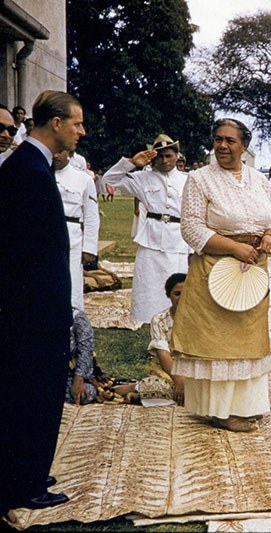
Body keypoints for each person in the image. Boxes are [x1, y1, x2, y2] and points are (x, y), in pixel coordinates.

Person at [0, 90, 86, 513]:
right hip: (33, 312)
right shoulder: (30, 171)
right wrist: (47, 310)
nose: (81, 132)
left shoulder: (32, 164)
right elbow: (23, 253)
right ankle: (24, 482)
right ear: (55, 123)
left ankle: (28, 468)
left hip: (34, 307)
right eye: (77, 124)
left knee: (31, 393)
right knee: (33, 395)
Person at [171, 118, 271, 432]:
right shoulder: (200, 179)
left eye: (230, 141)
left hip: (253, 268)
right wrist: (234, 248)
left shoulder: (259, 180)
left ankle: (247, 406)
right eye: (218, 139)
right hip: (215, 267)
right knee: (217, 342)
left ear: (244, 146)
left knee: (249, 338)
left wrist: (270, 236)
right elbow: (191, 229)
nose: (222, 146)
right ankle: (219, 410)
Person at [104, 134, 191, 323]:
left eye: (169, 155)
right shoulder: (142, 178)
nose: (164, 160)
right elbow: (109, 179)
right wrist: (132, 163)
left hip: (178, 240)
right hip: (151, 239)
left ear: (177, 156)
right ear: (153, 158)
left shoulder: (188, 180)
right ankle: (153, 333)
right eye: (160, 156)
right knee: (150, 286)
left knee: (179, 288)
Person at [113, 273, 187, 406]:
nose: (181, 298)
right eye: (177, 294)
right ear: (168, 295)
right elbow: (163, 354)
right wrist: (179, 382)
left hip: (192, 368)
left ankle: (137, 391)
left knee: (201, 392)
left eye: (186, 293)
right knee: (161, 387)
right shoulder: (159, 320)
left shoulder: (200, 319)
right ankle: (140, 390)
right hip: (167, 370)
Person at [54, 149, 100, 310]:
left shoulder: (83, 179)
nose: (55, 155)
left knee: (72, 286)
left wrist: (89, 248)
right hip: (43, 239)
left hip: (72, 241)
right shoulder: (38, 174)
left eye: (59, 152)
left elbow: (91, 215)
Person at [65, 307, 97, 406]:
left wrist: (78, 380)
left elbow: (86, 351)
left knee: (87, 392)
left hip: (71, 377)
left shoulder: (77, 318)